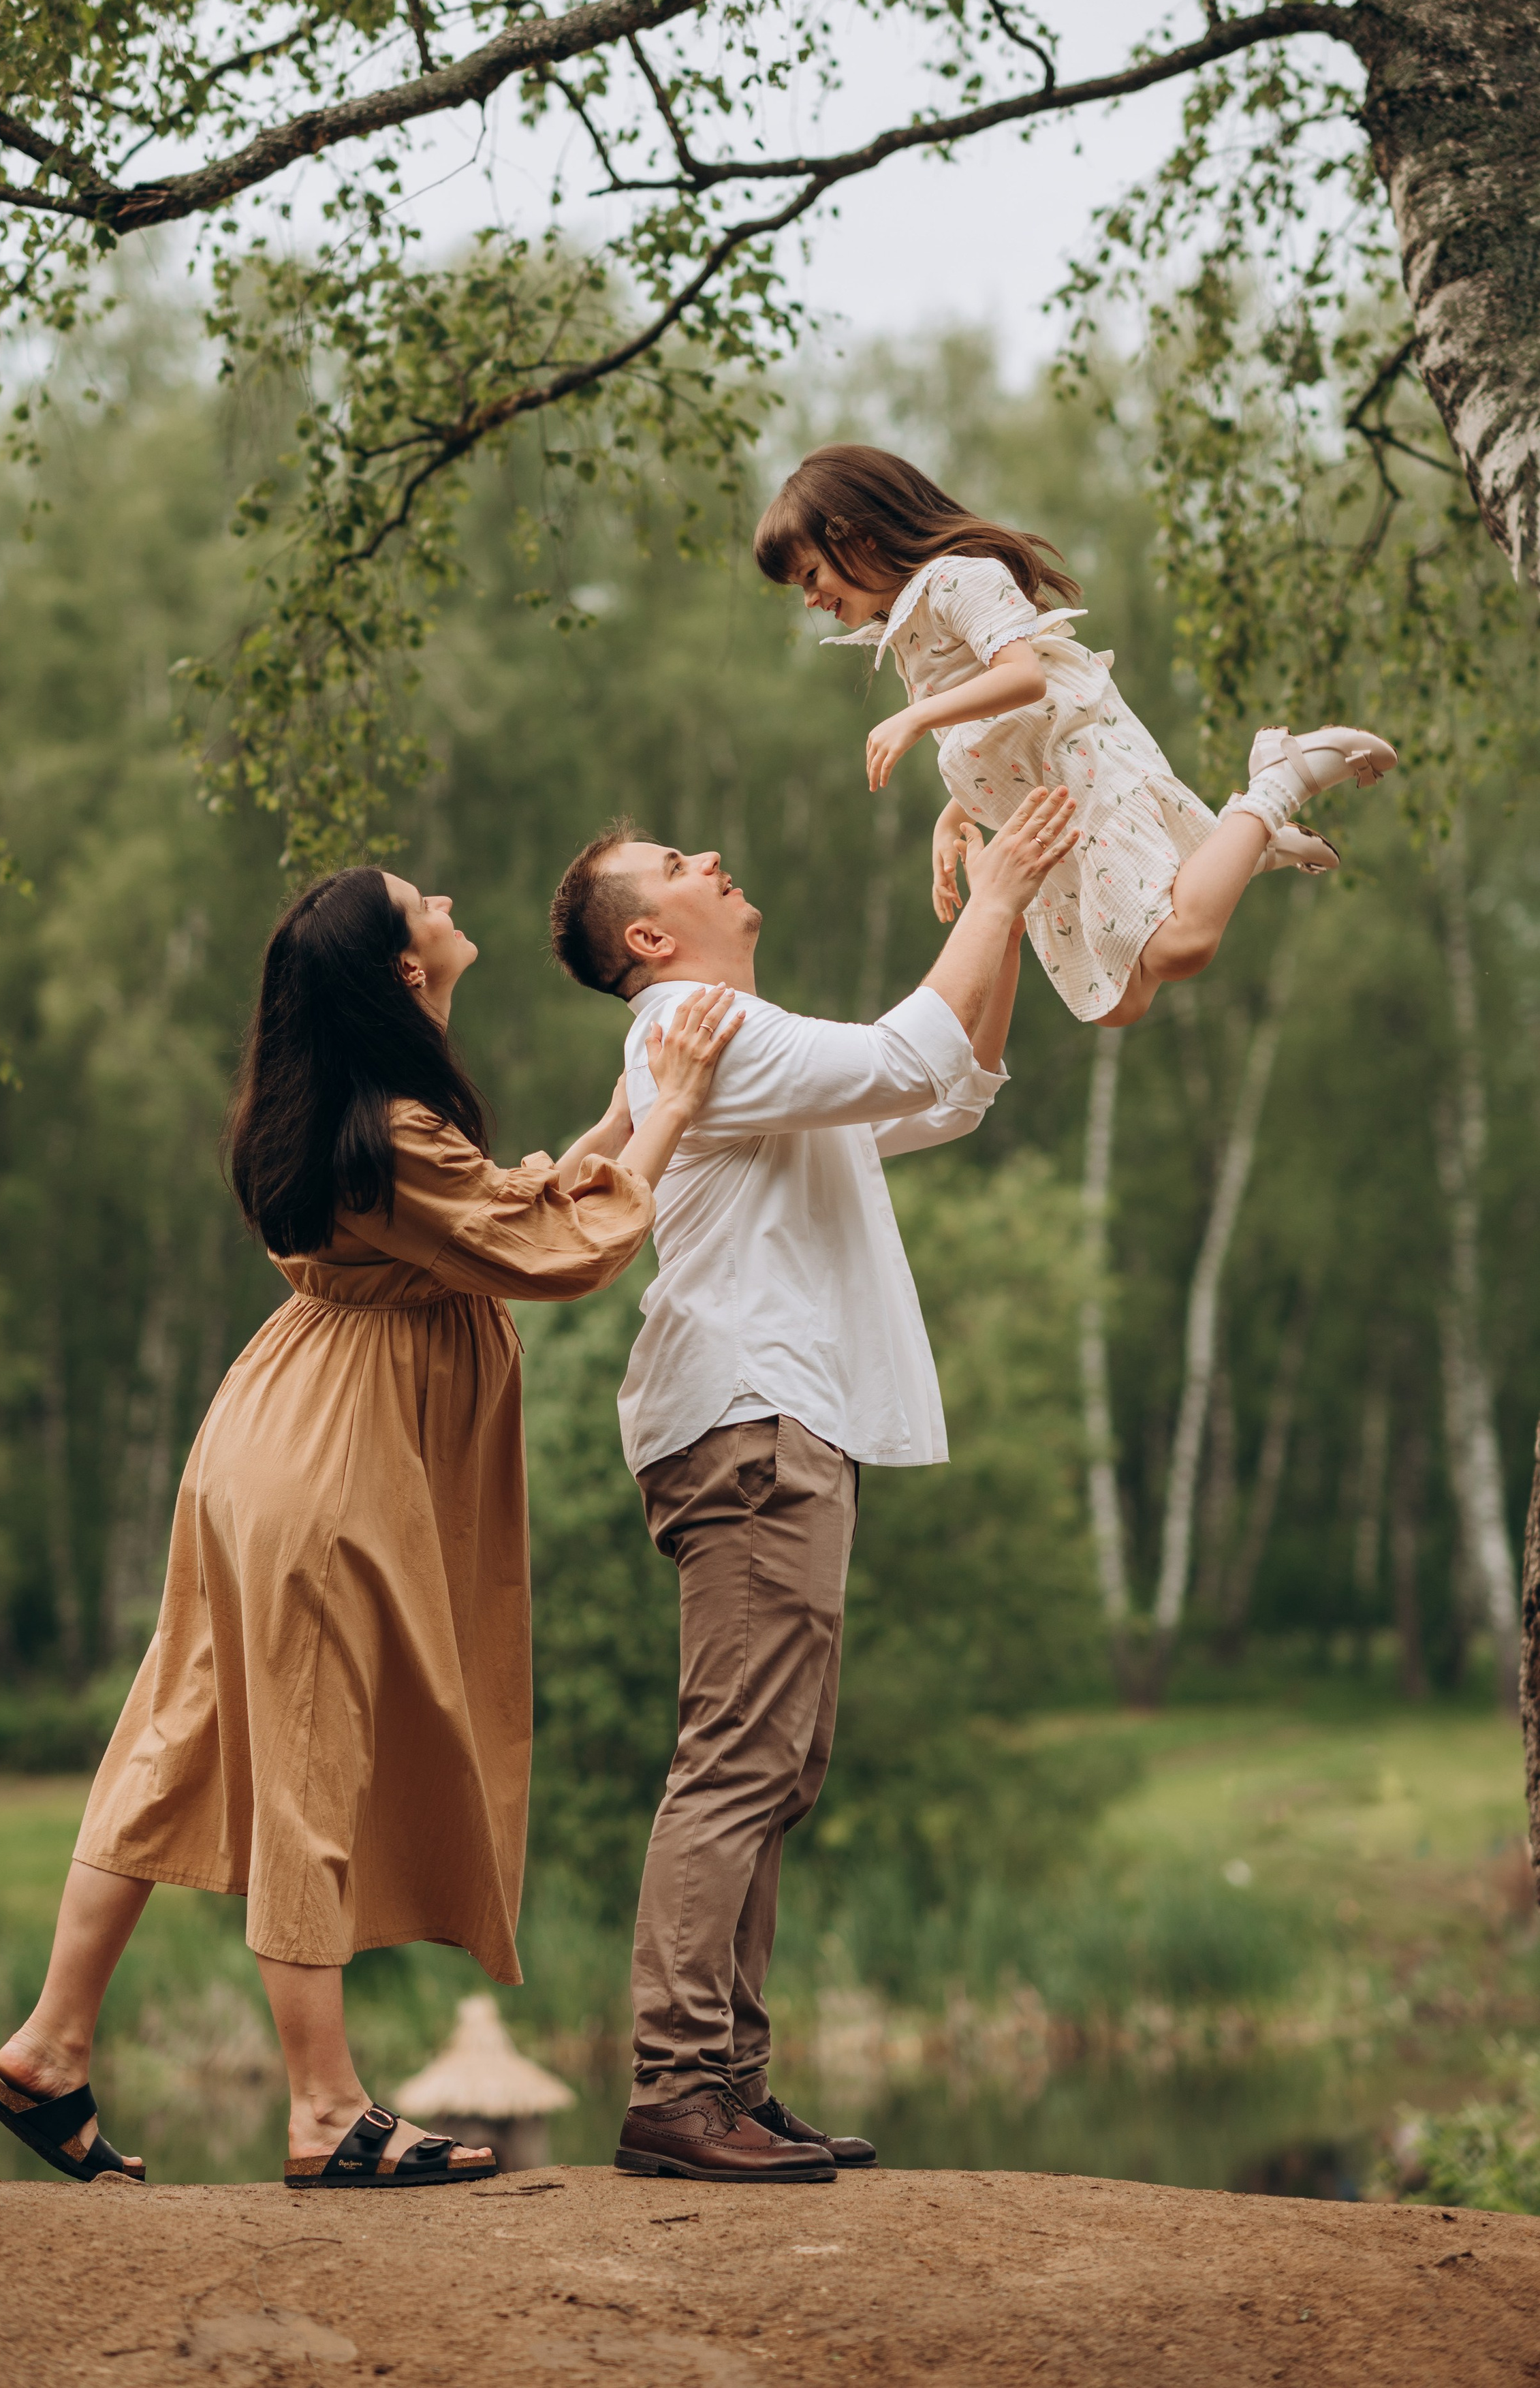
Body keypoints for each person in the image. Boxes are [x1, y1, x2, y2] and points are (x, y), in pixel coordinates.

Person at [0, 866, 741, 2192]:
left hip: (268, 1436)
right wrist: (668, 1114)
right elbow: (558, 1254)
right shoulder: (386, 1123)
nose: (446, 901)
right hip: (328, 1467)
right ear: (401, 966)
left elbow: (501, 1208)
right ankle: (325, 2111)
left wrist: (624, 1108)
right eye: (422, 900)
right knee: (310, 1768)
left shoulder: (354, 1109)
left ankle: (48, 2048)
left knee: (182, 1733)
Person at [548, 781, 1080, 2182]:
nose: (711, 856)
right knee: (737, 1760)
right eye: (674, 860)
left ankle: (726, 2078)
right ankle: (676, 2089)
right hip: (745, 1423)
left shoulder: (739, 1050)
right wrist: (1005, 895)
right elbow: (911, 1051)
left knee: (774, 1764)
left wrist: (988, 917)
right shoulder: (684, 1030)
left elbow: (946, 1088)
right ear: (648, 938)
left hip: (772, 1424)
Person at [754, 444, 1399, 1027]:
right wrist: (954, 815)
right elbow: (1001, 737)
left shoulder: (956, 581)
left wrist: (917, 716)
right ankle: (1244, 847)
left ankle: (1279, 781)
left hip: (1090, 777)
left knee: (1180, 948)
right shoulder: (908, 625)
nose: (809, 600)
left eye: (810, 576)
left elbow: (1026, 682)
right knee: (1118, 1002)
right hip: (1050, 807)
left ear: (860, 538)